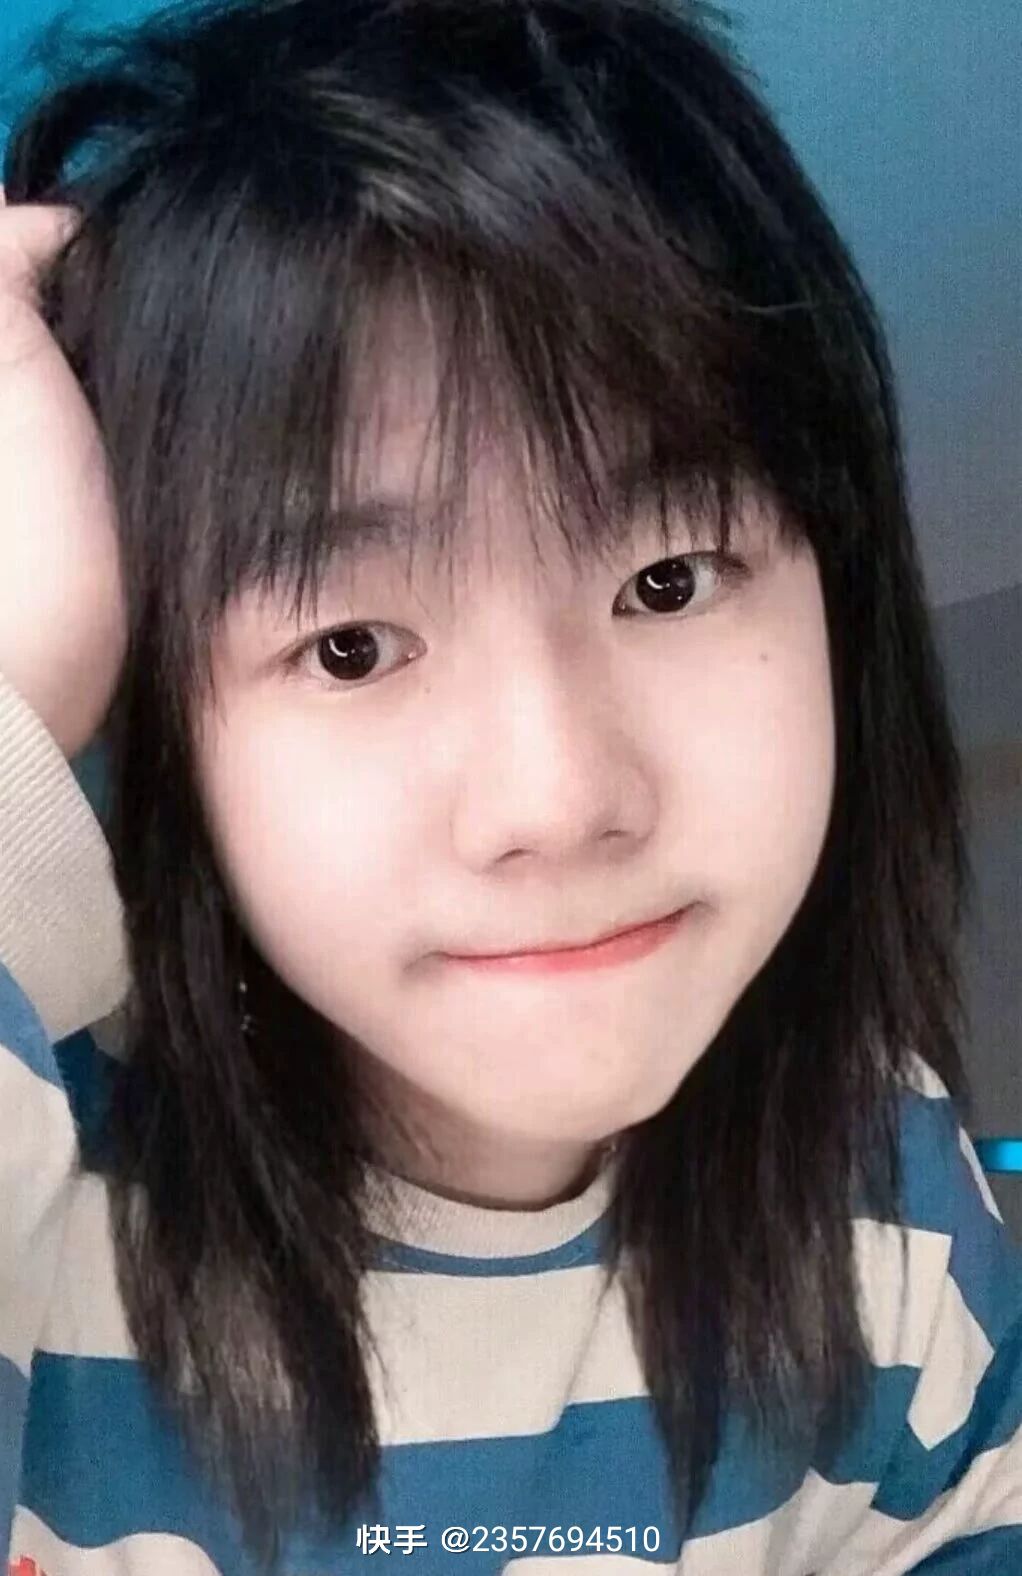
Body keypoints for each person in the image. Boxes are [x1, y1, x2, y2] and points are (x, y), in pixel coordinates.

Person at [0, 0, 1019, 1571]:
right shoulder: (46, 1205)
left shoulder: (892, 1195)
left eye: (668, 580)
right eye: (350, 646)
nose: (557, 798)